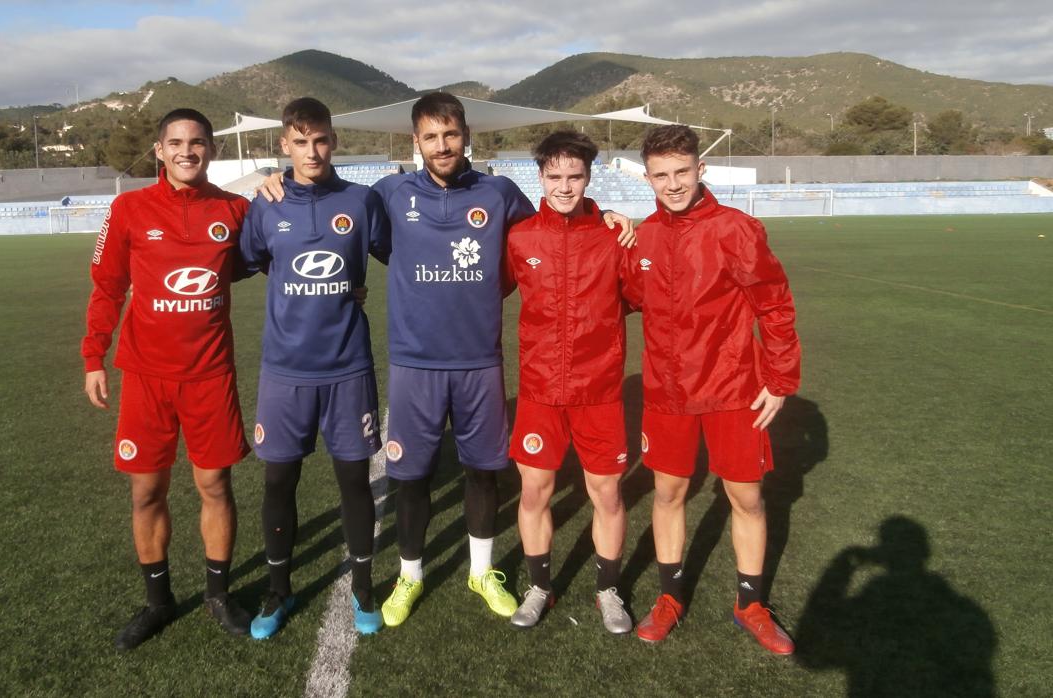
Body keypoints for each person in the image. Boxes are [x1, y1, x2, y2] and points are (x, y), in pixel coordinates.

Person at [258, 93, 633, 628]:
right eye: (431, 137)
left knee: (483, 473)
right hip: (415, 364)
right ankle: (411, 574)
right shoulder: (386, 194)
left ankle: (481, 571)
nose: (442, 145)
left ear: (465, 135)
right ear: (416, 142)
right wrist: (274, 180)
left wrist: (606, 213)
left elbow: (555, 224)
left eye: (450, 134)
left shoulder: (500, 193)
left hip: (480, 362)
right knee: (411, 477)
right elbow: (331, 203)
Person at [82, 108, 252, 650]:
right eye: (175, 142)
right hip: (146, 378)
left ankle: (218, 595)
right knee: (146, 491)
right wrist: (93, 357)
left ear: (212, 150)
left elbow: (283, 255)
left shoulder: (236, 210)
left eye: (197, 142)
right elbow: (107, 287)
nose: (187, 151)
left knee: (214, 485)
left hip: (210, 375)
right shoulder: (128, 208)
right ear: (159, 150)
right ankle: (158, 603)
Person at [627, 124, 801, 654]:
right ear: (648, 178)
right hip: (667, 391)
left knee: (745, 497)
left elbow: (774, 304)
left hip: (733, 389)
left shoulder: (737, 229)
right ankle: (670, 596)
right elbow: (630, 296)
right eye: (661, 175)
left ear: (700, 170)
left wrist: (779, 379)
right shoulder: (644, 238)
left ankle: (750, 603)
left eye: (682, 171)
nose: (673, 184)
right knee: (668, 493)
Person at [239, 97, 389, 639]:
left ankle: (365, 588)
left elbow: (401, 250)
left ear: (334, 140)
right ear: (285, 145)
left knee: (354, 479)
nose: (312, 151)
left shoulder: (361, 201)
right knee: (279, 481)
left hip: (348, 369)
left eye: (321, 140)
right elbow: (253, 261)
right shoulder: (266, 205)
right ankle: (279, 590)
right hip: (285, 372)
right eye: (300, 142)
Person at [503, 131, 642, 633]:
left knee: (606, 495)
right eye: (555, 176)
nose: (565, 186)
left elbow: (646, 295)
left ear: (589, 177)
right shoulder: (520, 238)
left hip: (599, 390)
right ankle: (540, 585)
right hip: (540, 390)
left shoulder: (613, 236)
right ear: (540, 176)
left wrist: (631, 229)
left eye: (575, 176)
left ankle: (608, 590)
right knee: (534, 491)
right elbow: (483, 290)